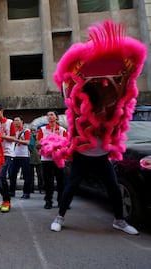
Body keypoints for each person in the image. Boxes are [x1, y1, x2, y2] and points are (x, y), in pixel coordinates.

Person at [49, 20, 145, 235]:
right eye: (101, 95)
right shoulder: (81, 111)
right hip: (83, 154)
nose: (105, 97)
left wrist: (125, 78)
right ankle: (59, 217)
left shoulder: (111, 108)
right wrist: (78, 79)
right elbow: (70, 91)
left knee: (113, 188)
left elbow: (120, 95)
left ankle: (119, 220)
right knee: (71, 187)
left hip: (101, 156)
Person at [38, 111, 67, 209]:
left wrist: (58, 146)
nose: (49, 117)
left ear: (56, 117)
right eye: (48, 115)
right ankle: (48, 200)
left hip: (59, 159)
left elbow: (66, 143)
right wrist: (47, 145)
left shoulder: (62, 130)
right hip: (46, 159)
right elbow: (38, 144)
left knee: (61, 181)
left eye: (52, 115)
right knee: (48, 181)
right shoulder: (42, 129)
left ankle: (61, 201)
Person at [0, 104, 16, 213]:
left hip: (7, 153)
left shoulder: (10, 123)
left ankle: (7, 201)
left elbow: (13, 138)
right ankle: (4, 200)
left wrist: (2, 136)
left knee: (1, 176)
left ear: (2, 111)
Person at [9, 116, 32, 199]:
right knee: (12, 175)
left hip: (24, 155)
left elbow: (27, 142)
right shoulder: (13, 131)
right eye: (14, 120)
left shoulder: (26, 131)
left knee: (26, 175)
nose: (15, 122)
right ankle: (11, 191)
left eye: (17, 120)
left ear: (22, 121)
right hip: (14, 155)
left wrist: (16, 140)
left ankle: (26, 193)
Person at [30, 126, 43, 194]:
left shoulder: (40, 138)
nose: (33, 132)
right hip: (30, 159)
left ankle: (41, 188)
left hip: (39, 159)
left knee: (40, 175)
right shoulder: (29, 138)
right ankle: (31, 189)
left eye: (35, 131)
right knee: (31, 176)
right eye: (32, 131)